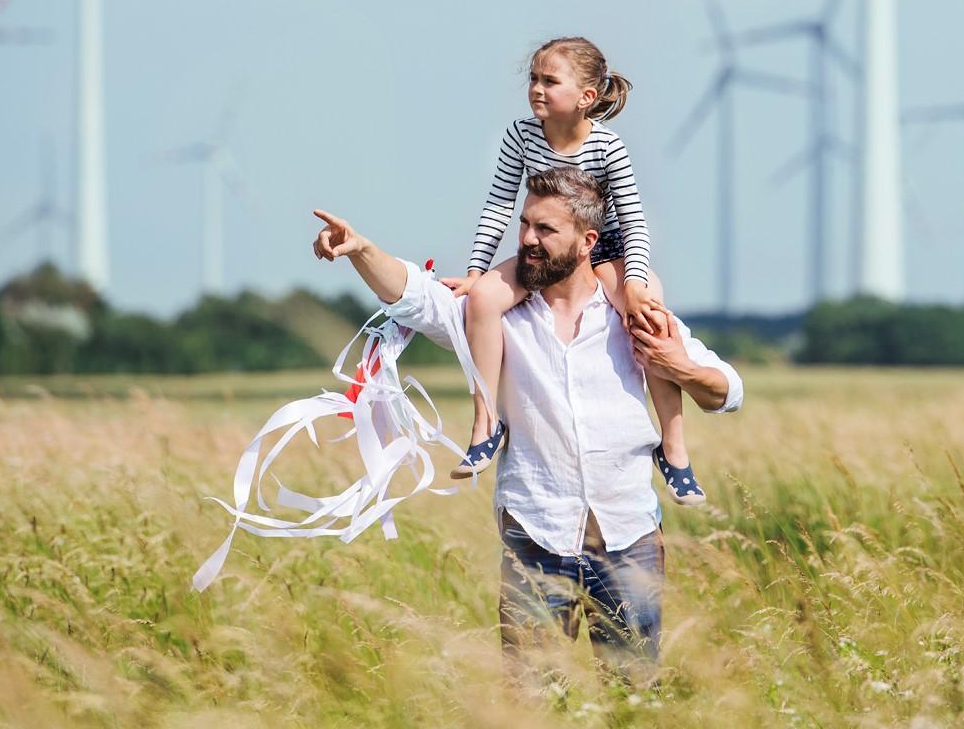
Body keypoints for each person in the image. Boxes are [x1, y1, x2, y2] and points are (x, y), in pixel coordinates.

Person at [312, 167, 743, 685]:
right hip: (534, 535)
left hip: (629, 539)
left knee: (635, 698)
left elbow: (727, 391)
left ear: (587, 242)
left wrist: (682, 368)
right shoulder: (492, 314)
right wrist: (361, 249)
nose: (527, 241)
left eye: (545, 230)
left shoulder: (631, 312)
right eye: (524, 225)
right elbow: (415, 297)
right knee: (531, 701)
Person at [439, 36, 706, 506]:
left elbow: (633, 217)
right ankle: (485, 421)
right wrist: (477, 271)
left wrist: (637, 282)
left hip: (605, 248)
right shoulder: (520, 136)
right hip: (544, 249)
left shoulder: (607, 145)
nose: (537, 89)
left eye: (550, 81)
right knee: (482, 301)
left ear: (586, 96)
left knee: (650, 319)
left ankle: (674, 447)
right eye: (533, 79)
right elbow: (499, 207)